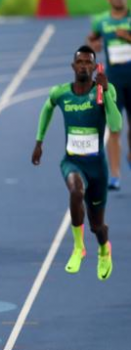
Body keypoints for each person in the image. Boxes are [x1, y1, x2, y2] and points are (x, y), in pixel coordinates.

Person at [32, 46, 119, 281]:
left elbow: (116, 124)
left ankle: (103, 249)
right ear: (73, 66)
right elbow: (47, 108)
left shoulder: (103, 92)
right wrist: (39, 140)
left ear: (94, 67)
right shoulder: (61, 93)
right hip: (72, 162)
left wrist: (106, 93)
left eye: (88, 63)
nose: (83, 66)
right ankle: (78, 248)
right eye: (79, 62)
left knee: (97, 225)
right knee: (75, 191)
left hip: (97, 167)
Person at [88, 0, 129, 190]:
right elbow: (92, 39)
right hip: (113, 83)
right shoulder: (101, 21)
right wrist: (94, 44)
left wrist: (128, 38)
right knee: (114, 128)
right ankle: (115, 175)